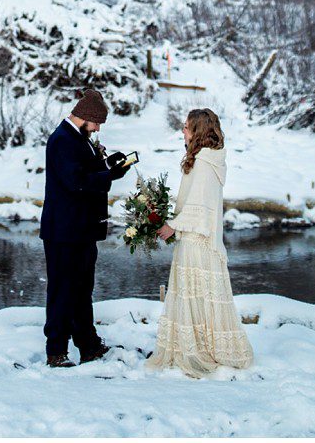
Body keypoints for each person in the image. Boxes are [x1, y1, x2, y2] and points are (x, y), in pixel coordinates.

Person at [146, 108, 253, 377]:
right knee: (197, 296)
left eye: (186, 127)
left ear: (198, 131)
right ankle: (195, 345)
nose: (182, 130)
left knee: (198, 296)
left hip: (198, 242)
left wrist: (172, 226)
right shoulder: (204, 159)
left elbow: (199, 209)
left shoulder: (205, 163)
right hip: (194, 238)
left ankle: (201, 350)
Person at [39, 87, 132, 368]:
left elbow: (86, 170)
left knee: (81, 290)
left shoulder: (78, 139)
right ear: (85, 116)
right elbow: (76, 181)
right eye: (97, 122)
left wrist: (109, 165)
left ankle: (88, 346)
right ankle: (56, 351)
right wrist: (109, 175)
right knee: (62, 291)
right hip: (64, 232)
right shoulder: (62, 140)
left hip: (80, 230)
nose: (98, 128)